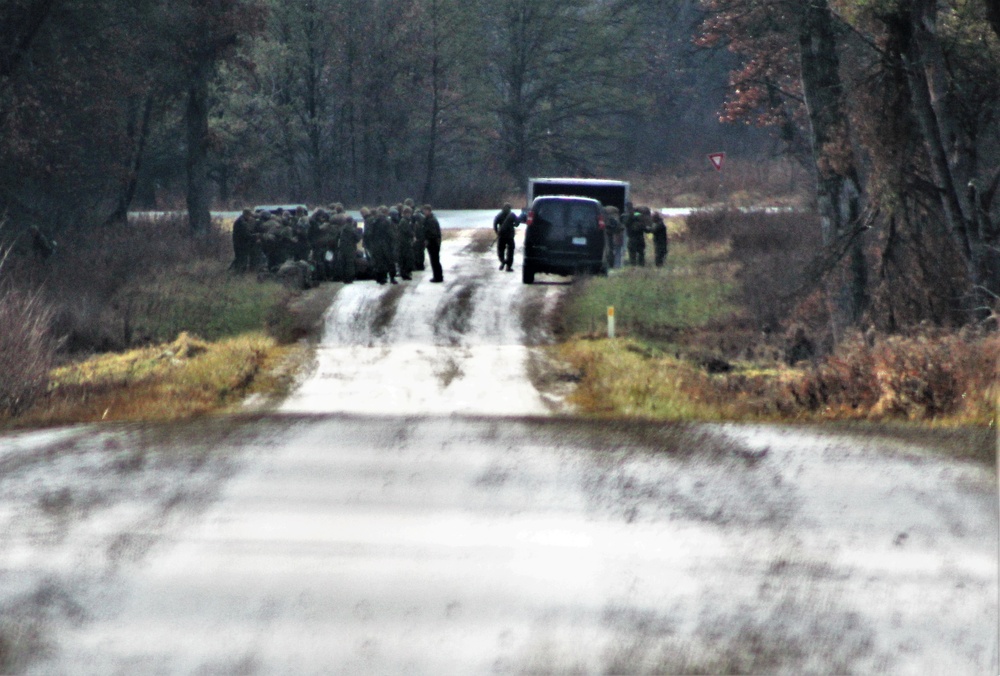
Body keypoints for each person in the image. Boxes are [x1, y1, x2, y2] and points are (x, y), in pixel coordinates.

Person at [364, 205, 397, 284]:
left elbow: (368, 233)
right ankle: (392, 278)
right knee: (390, 261)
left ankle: (381, 278)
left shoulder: (372, 221)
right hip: (386, 244)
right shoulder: (387, 221)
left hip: (376, 244)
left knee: (379, 261)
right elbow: (391, 234)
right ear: (386, 212)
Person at [493, 203, 519, 271]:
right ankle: (508, 266)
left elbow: (495, 223)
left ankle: (503, 261)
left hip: (501, 235)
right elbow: (517, 223)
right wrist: (513, 224)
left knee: (500, 250)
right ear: (510, 208)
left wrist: (497, 231)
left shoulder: (499, 215)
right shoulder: (512, 215)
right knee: (510, 251)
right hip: (510, 236)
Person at [422, 204, 443, 283]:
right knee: (435, 260)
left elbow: (432, 233)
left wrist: (427, 240)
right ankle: (437, 276)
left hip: (433, 243)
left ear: (428, 211)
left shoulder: (431, 220)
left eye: (425, 210)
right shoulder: (430, 219)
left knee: (435, 260)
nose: (424, 212)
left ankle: (437, 277)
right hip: (434, 242)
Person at [603, 205, 623, 270]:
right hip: (612, 236)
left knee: (609, 251)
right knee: (611, 251)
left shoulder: (605, 217)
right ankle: (611, 264)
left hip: (608, 236)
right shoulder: (615, 217)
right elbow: (620, 228)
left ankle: (609, 264)